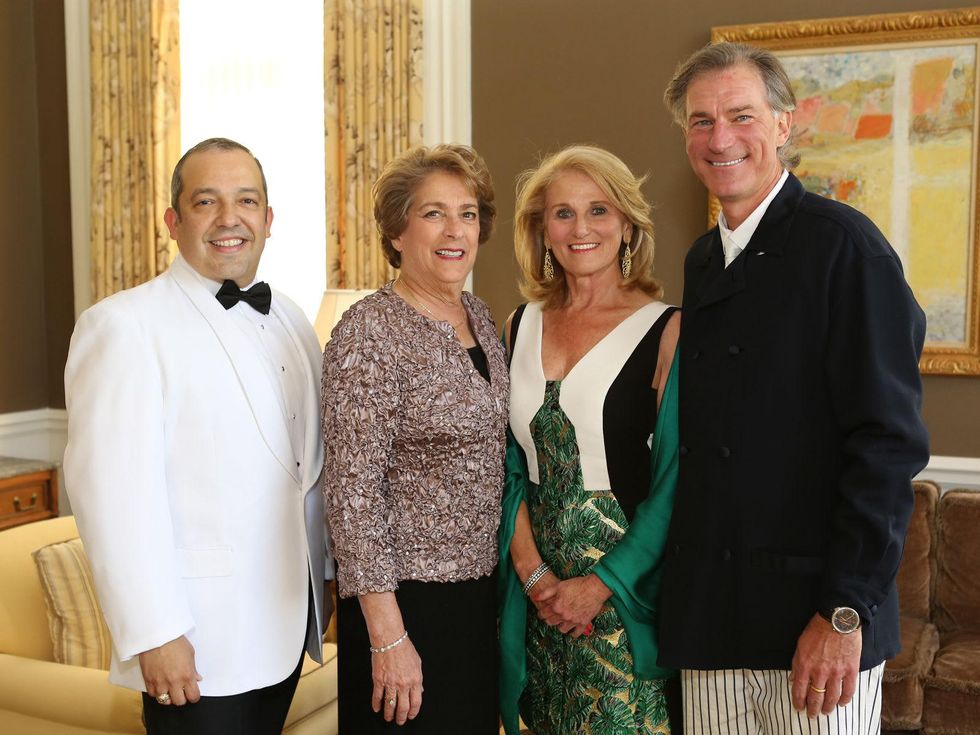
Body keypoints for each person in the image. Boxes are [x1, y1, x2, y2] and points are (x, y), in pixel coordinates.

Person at [657, 42, 930, 733]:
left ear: (784, 124)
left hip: (818, 624)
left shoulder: (847, 248)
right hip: (714, 622)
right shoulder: (702, 260)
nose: (720, 139)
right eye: (700, 121)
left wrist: (844, 612)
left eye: (740, 115)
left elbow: (888, 447)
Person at [64, 138, 332, 735]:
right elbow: (112, 499)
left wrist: (327, 576)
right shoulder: (123, 326)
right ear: (173, 221)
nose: (228, 218)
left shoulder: (289, 316)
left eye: (246, 200)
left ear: (268, 218)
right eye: (206, 201)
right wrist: (155, 633)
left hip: (287, 627)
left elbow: (305, 473)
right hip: (198, 644)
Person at [321, 144, 508, 734]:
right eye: (433, 214)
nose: (456, 230)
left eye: (469, 213)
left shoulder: (478, 315)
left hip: (477, 599)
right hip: (404, 605)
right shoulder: (369, 331)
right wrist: (388, 635)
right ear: (397, 232)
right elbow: (352, 497)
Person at [498, 144, 682, 735]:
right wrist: (534, 577)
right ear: (541, 230)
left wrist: (599, 586)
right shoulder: (517, 324)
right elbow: (505, 467)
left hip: (624, 595)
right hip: (538, 599)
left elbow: (678, 481)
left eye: (599, 211)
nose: (582, 229)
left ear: (628, 224)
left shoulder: (667, 328)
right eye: (563, 213)